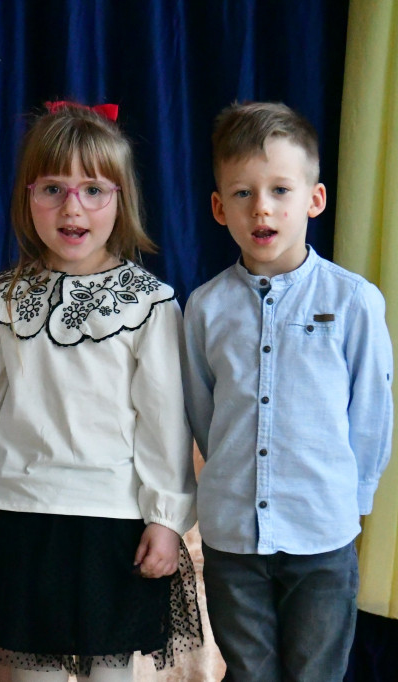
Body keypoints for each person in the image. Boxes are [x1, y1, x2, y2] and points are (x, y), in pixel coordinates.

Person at [0, 102, 202, 681]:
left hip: (110, 520)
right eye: (53, 189)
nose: (72, 208)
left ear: (121, 199)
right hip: (21, 514)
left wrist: (165, 518)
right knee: (24, 671)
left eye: (94, 190)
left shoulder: (148, 303)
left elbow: (164, 422)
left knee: (108, 673)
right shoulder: (2, 297)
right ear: (26, 195)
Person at [182, 101, 393, 681]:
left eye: (280, 189)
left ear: (314, 200)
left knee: (315, 673)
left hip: (322, 534)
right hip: (233, 538)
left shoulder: (354, 301)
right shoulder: (205, 307)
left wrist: (352, 503)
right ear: (219, 208)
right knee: (250, 673)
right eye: (243, 194)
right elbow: (203, 411)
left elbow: (371, 414)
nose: (263, 208)